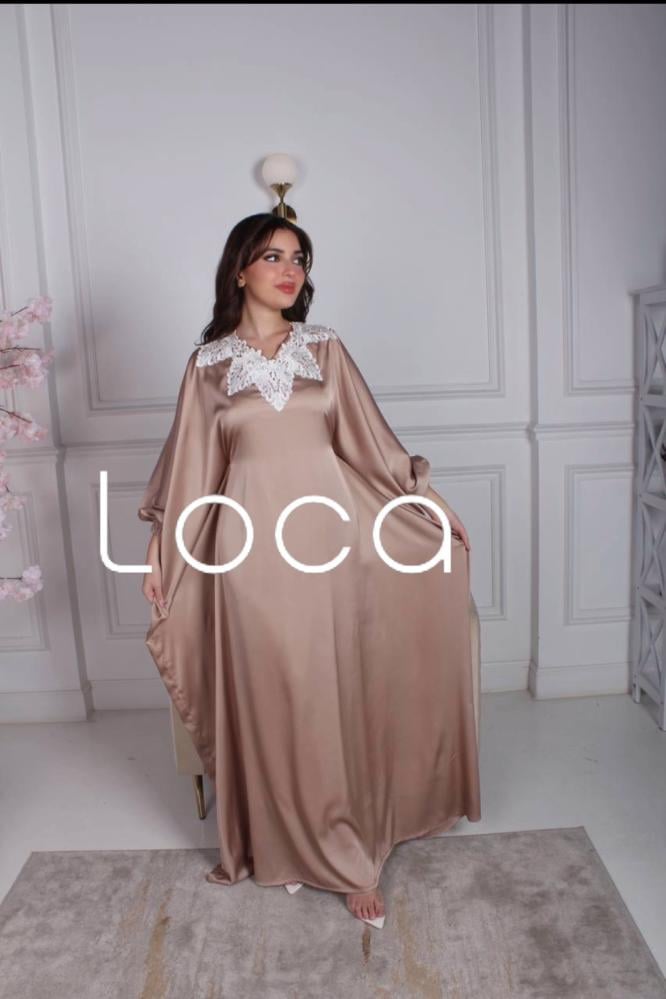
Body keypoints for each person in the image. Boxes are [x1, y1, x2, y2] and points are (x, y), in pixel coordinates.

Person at [139, 213, 481, 929]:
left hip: (332, 546)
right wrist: (161, 554)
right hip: (246, 555)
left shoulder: (325, 349)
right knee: (274, 693)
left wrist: (428, 498)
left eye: (298, 258)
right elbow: (191, 473)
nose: (289, 270)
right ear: (240, 270)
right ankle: (284, 842)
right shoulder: (207, 367)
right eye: (272, 256)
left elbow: (370, 444)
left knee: (331, 692)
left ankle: (348, 851)